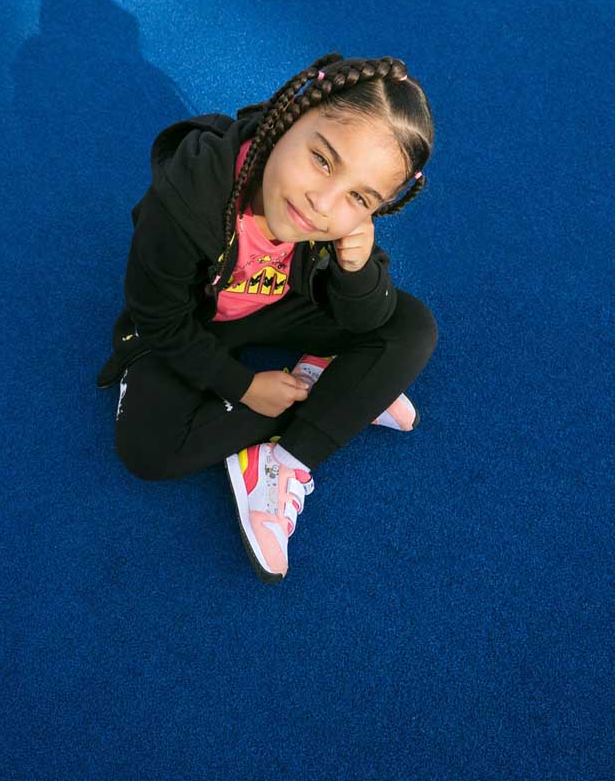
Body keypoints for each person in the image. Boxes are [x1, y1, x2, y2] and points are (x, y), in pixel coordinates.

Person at [97, 53, 439, 584]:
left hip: (274, 302)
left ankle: (282, 463)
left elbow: (368, 317)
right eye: (322, 160)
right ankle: (343, 394)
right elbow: (161, 321)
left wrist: (355, 269)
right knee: (147, 451)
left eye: (358, 197)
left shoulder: (336, 221)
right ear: (291, 118)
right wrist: (244, 386)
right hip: (193, 321)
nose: (322, 203)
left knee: (413, 327)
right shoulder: (188, 197)